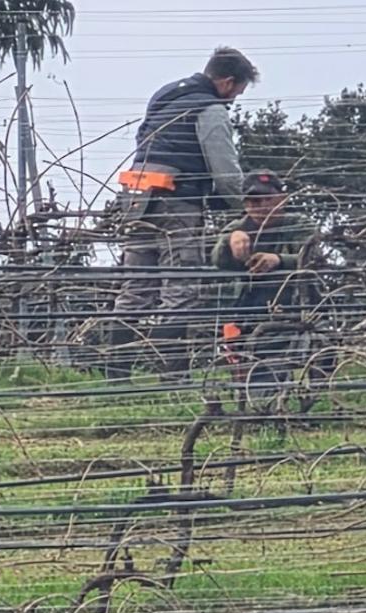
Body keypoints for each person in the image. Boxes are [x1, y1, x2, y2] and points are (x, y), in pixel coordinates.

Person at [108, 47, 258, 380]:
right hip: (178, 201)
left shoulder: (165, 95)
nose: (234, 99)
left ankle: (113, 374)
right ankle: (172, 375)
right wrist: (242, 210)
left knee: (135, 287)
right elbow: (225, 171)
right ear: (228, 82)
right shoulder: (211, 108)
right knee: (181, 288)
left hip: (136, 199)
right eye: (237, 92)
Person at [211, 170, 318, 390]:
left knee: (311, 357)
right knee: (253, 366)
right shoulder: (237, 228)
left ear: (282, 199)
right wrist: (229, 240)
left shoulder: (299, 224)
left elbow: (314, 258)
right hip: (247, 310)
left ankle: (315, 393)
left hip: (295, 306)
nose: (261, 206)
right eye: (254, 201)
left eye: (268, 199)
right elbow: (216, 259)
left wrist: (279, 260)